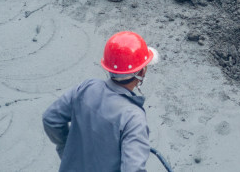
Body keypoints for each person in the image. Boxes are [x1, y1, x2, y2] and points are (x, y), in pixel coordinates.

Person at [42, 31, 160, 171]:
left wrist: (67, 149)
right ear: (141, 73)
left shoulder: (86, 87)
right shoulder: (133, 118)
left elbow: (50, 118)